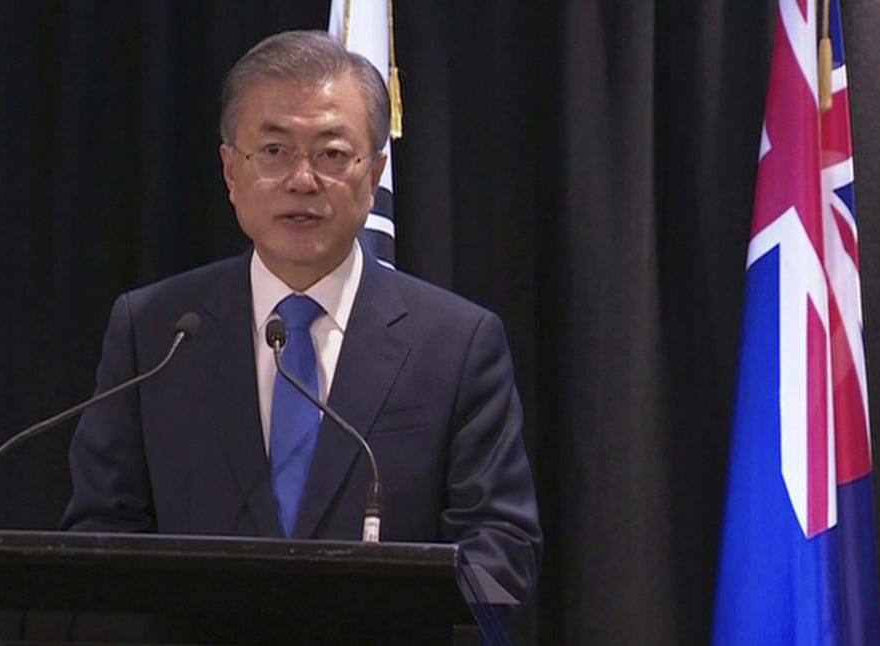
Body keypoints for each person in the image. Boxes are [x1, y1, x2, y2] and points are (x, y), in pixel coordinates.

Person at [61, 30, 541, 605]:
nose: (303, 179)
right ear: (230, 172)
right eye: (274, 151)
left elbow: (502, 551)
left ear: (373, 175)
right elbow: (98, 536)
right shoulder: (157, 333)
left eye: (333, 154)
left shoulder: (457, 345)